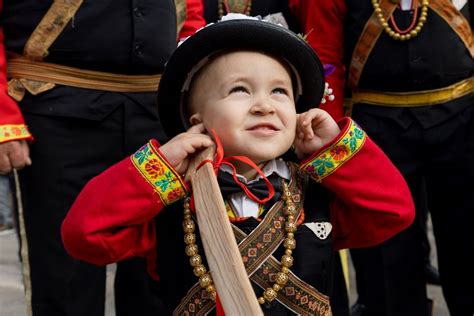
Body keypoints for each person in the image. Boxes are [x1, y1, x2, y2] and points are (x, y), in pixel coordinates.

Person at [61, 15, 415, 315]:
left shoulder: (316, 196)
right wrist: (161, 165)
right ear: (196, 119)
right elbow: (83, 235)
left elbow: (394, 211)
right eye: (240, 91)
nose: (265, 105)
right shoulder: (169, 204)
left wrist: (335, 150)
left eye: (280, 92)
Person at [0, 1, 205, 315]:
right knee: (64, 278)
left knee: (160, 273)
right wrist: (3, 119)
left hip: (157, 117)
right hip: (55, 111)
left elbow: (189, 13)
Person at [288, 1, 473, 315]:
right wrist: (327, 144)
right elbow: (325, 56)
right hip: (374, 125)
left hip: (463, 118)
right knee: (386, 253)